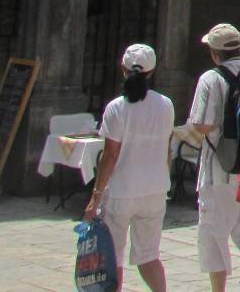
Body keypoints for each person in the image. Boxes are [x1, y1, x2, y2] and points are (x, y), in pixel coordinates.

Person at [184, 23, 240, 292]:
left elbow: (201, 125)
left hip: (219, 171)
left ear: (215, 54)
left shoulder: (210, 79)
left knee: (213, 236)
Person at [84, 44, 175, 292]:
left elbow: (110, 155)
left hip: (122, 190)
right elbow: (167, 149)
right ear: (151, 71)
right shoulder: (166, 104)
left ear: (123, 68)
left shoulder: (117, 107)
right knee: (149, 255)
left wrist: (96, 195)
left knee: (113, 256)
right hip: (155, 189)